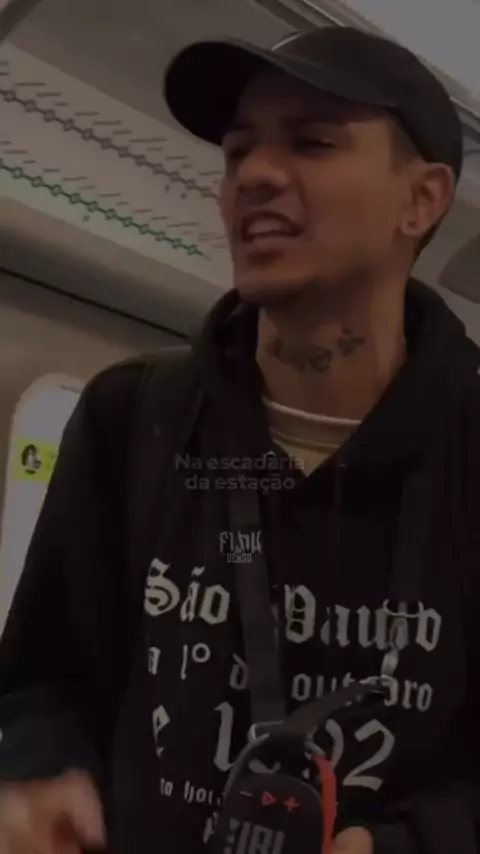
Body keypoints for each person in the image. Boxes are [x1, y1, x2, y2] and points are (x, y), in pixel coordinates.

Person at [0, 24, 479, 854]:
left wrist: (406, 843)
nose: (254, 175)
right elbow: (44, 681)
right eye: (237, 151)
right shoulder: (131, 414)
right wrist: (42, 771)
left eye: (314, 142)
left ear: (422, 200)